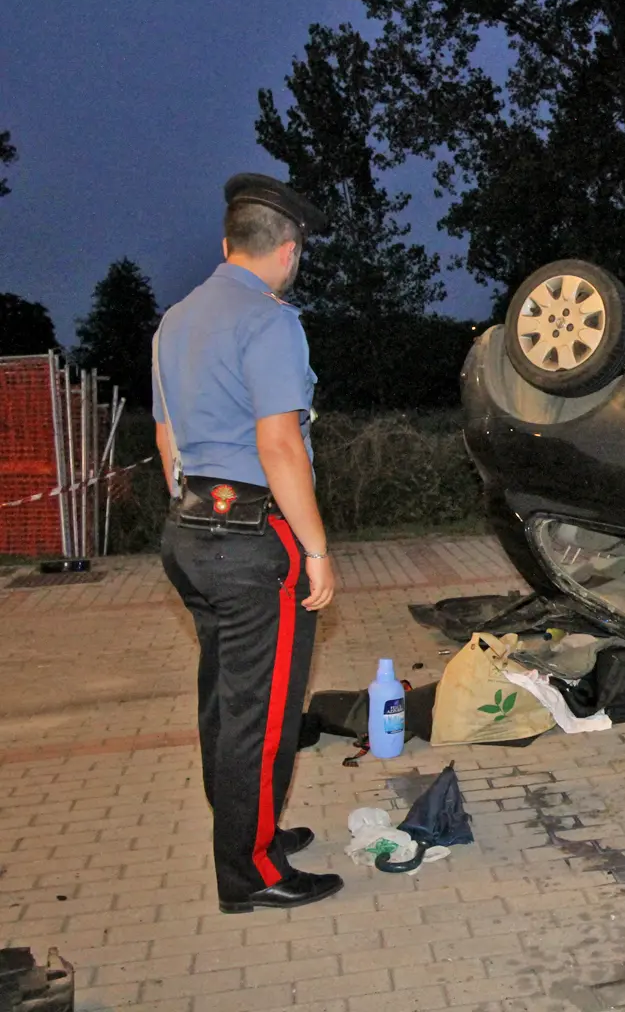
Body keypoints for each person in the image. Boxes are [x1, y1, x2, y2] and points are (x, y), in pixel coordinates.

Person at [153, 173, 342, 913]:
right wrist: (317, 549)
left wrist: (196, 511)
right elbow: (280, 445)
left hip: (189, 531)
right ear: (289, 252)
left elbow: (167, 437)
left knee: (224, 704)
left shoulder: (175, 320)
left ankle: (247, 830)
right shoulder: (270, 323)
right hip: (253, 539)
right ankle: (253, 870)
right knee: (262, 714)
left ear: (226, 243)